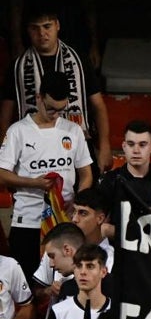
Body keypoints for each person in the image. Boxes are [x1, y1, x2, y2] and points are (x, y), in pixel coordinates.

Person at [0, 71, 93, 279]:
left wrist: (77, 202)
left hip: (63, 222)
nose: (55, 114)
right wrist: (34, 183)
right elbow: (2, 174)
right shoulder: (18, 131)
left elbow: (86, 174)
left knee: (64, 285)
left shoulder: (73, 131)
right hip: (28, 222)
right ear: (39, 98)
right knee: (29, 287)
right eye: (50, 108)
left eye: (61, 110)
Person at [0, 0, 110, 169]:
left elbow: (98, 106)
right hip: (33, 147)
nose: (42, 33)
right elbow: (6, 114)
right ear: (28, 31)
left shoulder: (79, 60)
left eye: (47, 26)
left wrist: (104, 147)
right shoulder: (17, 66)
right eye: (35, 28)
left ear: (57, 25)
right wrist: (6, 153)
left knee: (85, 193)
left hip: (76, 142)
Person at [97, 119, 151, 210]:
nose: (136, 150)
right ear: (124, 146)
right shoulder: (109, 181)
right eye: (131, 144)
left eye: (142, 145)